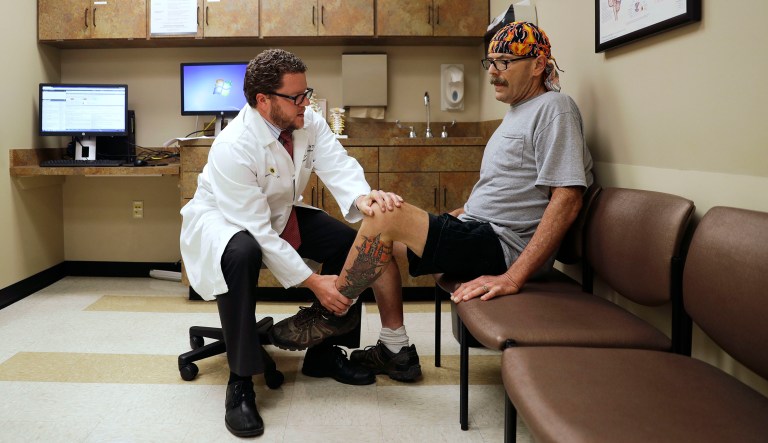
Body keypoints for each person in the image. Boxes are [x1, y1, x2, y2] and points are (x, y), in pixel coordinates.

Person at [272, 21, 594, 373]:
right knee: (380, 242)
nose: (494, 74)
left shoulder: (555, 109)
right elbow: (510, 191)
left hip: (501, 247)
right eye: (491, 63)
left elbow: (567, 198)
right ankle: (395, 350)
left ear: (537, 65)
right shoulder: (519, 112)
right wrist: (461, 213)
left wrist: (513, 277)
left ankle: (332, 311)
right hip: (478, 232)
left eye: (505, 62)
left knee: (383, 217)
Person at [179, 48, 405, 438]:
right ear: (263, 100)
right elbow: (256, 229)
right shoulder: (234, 145)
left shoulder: (307, 120)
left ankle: (325, 354)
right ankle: (241, 381)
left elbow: (337, 163)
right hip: (226, 219)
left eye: (307, 93)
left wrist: (361, 197)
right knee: (242, 252)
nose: (306, 103)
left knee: (348, 247)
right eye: (297, 97)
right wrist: (312, 281)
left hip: (277, 210)